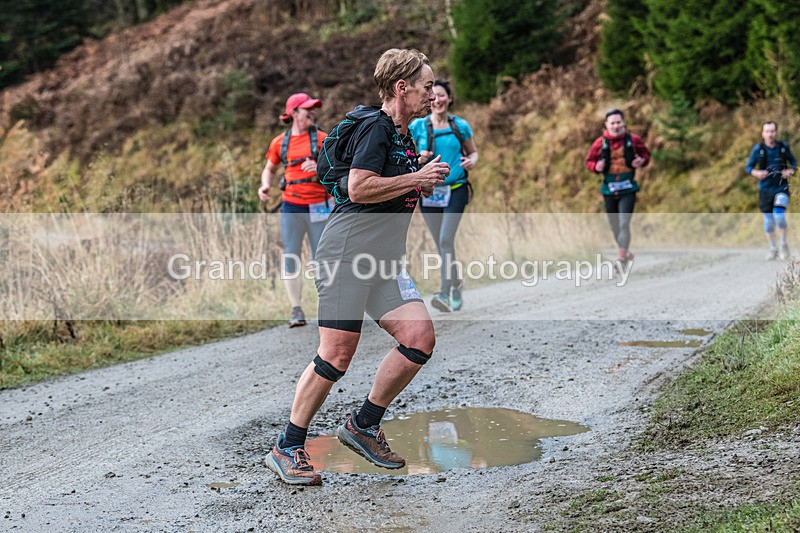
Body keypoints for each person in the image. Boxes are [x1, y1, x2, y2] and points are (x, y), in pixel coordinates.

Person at [265, 49, 450, 486]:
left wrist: (415, 170)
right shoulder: (376, 126)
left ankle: (363, 424)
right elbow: (359, 186)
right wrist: (415, 179)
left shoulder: (401, 135)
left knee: (419, 338)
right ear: (401, 87)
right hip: (346, 254)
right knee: (336, 353)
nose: (432, 93)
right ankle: (287, 445)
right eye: (425, 86)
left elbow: (383, 182)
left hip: (383, 261)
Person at [258, 93, 329, 327]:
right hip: (291, 207)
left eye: (313, 108)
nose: (312, 112)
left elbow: (340, 170)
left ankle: (328, 308)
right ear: (294, 113)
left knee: (322, 258)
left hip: (320, 206)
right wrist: (265, 185)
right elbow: (269, 169)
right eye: (307, 108)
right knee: (291, 255)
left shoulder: (323, 139)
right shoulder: (280, 143)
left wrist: (319, 166)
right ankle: (296, 309)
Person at [409, 80, 478, 312]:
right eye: (434, 96)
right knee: (442, 243)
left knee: (445, 239)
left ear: (449, 99)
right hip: (428, 193)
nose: (437, 100)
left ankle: (445, 292)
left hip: (456, 190)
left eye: (442, 95)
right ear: (429, 99)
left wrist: (471, 162)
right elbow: (406, 155)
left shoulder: (460, 126)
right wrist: (419, 158)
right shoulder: (418, 126)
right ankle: (456, 285)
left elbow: (474, 152)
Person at [585, 108, 651, 270]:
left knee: (623, 224)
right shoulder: (599, 143)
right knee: (615, 226)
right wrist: (596, 166)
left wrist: (641, 161)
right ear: (606, 125)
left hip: (628, 189)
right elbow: (589, 162)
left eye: (618, 122)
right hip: (608, 190)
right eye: (612, 123)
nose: (616, 126)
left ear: (623, 123)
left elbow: (646, 155)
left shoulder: (633, 140)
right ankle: (625, 252)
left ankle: (621, 259)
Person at [745, 121, 797, 260]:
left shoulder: (783, 147)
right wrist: (756, 173)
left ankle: (783, 243)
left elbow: (794, 163)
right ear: (763, 134)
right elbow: (748, 167)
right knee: (768, 222)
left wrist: (790, 171)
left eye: (772, 131)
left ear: (776, 132)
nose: (770, 134)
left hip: (781, 187)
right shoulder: (758, 149)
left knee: (779, 217)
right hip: (765, 189)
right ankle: (773, 247)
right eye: (767, 131)